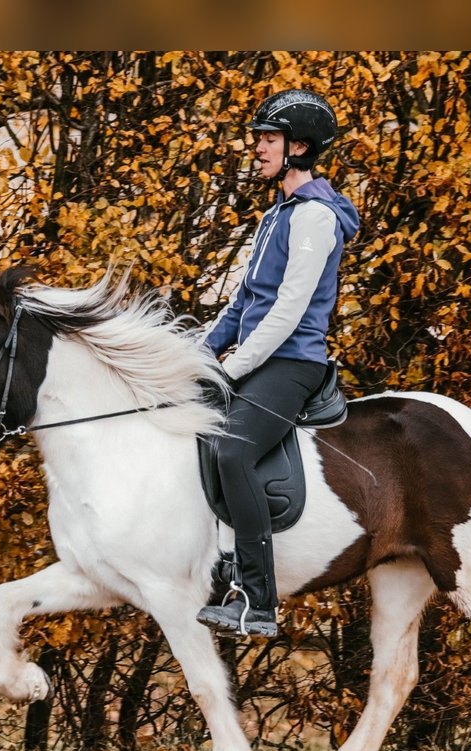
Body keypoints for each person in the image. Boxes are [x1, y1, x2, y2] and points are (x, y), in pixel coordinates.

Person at [196, 88, 360, 638]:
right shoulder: (278, 215)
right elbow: (244, 300)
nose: (259, 148)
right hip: (258, 358)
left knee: (233, 449)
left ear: (300, 147)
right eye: (260, 138)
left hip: (292, 363)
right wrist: (199, 352)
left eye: (269, 139)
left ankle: (256, 599)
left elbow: (289, 309)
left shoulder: (315, 217)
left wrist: (234, 367)